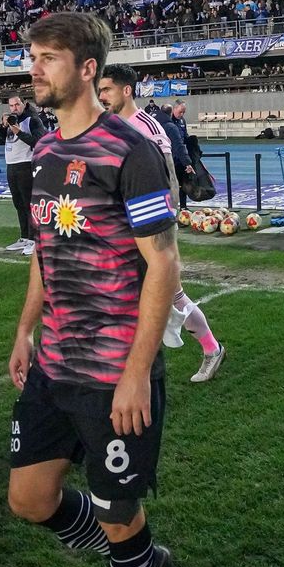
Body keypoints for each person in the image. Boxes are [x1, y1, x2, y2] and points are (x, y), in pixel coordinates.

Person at [6, 13, 177, 567]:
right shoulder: (46, 153)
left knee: (115, 510)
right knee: (29, 499)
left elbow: (163, 265)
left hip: (114, 374)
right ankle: (136, 554)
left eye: (48, 58)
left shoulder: (131, 149)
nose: (35, 70)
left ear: (86, 70)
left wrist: (138, 369)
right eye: (32, 57)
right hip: (55, 363)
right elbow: (45, 256)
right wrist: (24, 330)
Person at [98, 65, 226, 383]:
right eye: (99, 91)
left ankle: (212, 349)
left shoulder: (146, 127)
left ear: (127, 90)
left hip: (149, 228)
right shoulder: (110, 125)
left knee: (172, 297)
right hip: (123, 225)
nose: (100, 96)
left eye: (107, 90)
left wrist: (162, 233)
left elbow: (166, 181)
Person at [0, 95, 43, 255]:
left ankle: (34, 239)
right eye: (11, 105)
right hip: (11, 166)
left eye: (17, 104)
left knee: (30, 205)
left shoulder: (32, 120)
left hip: (26, 165)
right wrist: (3, 127)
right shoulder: (9, 121)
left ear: (24, 104)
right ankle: (24, 237)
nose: (14, 108)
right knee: (19, 204)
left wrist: (19, 132)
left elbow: (39, 142)